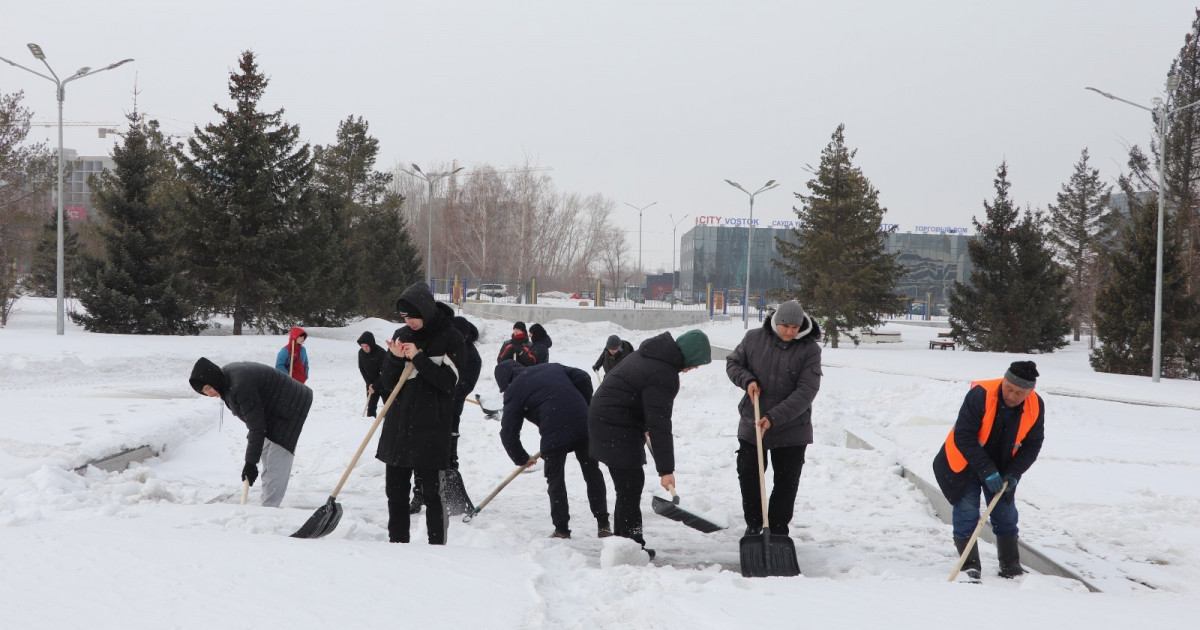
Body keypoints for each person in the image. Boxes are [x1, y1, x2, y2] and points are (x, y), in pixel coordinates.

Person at [587, 329, 711, 558]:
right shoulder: (663, 372)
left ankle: (627, 543)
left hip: (610, 420)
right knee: (629, 486)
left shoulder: (652, 356)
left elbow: (638, 397)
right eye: (696, 363)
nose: (694, 368)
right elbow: (660, 424)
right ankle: (631, 546)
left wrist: (642, 422)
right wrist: (666, 470)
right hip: (613, 425)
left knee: (628, 486)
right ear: (689, 354)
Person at [932, 361, 1045, 579]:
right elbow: (963, 436)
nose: (1012, 396)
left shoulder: (1035, 405)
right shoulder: (981, 395)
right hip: (966, 461)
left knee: (1006, 513)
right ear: (1004, 381)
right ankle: (969, 566)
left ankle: (1010, 565)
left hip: (1002, 465)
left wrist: (1014, 472)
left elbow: (1033, 444)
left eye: (1020, 393)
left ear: (1030, 391)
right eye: (1009, 388)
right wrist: (986, 470)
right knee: (967, 511)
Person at [374, 282, 467, 545]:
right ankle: (398, 542)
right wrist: (393, 358)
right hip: (398, 426)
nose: (409, 322)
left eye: (413, 316)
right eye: (404, 317)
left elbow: (449, 383)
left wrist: (418, 358)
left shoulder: (451, 337)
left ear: (426, 310)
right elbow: (389, 383)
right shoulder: (402, 335)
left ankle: (436, 546)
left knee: (432, 493)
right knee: (396, 491)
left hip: (431, 426)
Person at [725, 300, 822, 538]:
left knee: (786, 481)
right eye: (785, 326)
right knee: (749, 474)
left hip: (792, 426)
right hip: (753, 421)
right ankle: (755, 525)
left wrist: (774, 417)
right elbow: (733, 363)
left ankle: (778, 531)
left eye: (795, 327)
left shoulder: (810, 350)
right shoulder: (753, 339)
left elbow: (806, 391)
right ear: (776, 322)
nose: (790, 331)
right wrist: (747, 380)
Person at [495, 359, 610, 539]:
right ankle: (603, 523)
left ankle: (562, 529)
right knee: (592, 472)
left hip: (554, 433)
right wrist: (585, 407)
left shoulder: (514, 390)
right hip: (583, 425)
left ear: (505, 380)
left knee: (555, 479)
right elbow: (583, 377)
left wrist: (522, 458)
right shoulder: (552, 367)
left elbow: (508, 432)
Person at [189, 357, 312, 507]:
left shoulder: (239, 386)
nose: (209, 394)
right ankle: (267, 504)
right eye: (205, 392)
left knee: (276, 459)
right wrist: (252, 457)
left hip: (289, 405)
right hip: (275, 407)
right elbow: (253, 421)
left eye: (208, 388)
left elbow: (257, 427)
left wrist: (250, 463)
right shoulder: (226, 383)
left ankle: (269, 509)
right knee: (266, 453)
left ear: (213, 379)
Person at [357, 331, 386, 417]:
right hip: (370, 383)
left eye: (367, 346)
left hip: (383, 383)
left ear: (371, 343)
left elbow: (385, 372)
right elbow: (362, 369)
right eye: (363, 346)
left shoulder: (381, 353)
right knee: (371, 406)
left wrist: (375, 385)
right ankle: (369, 423)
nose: (365, 348)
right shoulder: (361, 353)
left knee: (388, 406)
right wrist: (369, 383)